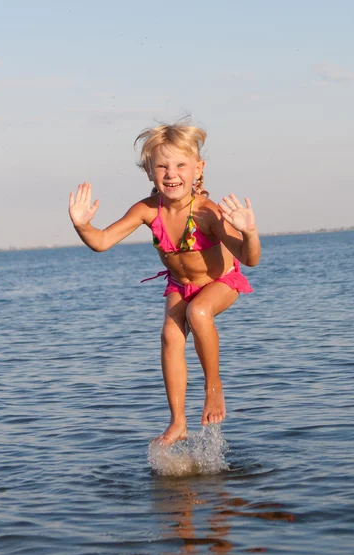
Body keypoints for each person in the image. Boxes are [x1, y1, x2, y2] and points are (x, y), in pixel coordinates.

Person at [69, 122, 261, 445]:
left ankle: (213, 387)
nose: (171, 173)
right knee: (170, 336)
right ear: (150, 171)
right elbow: (101, 241)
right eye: (162, 165)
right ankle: (177, 422)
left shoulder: (206, 213)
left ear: (198, 169)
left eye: (181, 165)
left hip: (221, 281)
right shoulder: (147, 209)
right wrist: (81, 225)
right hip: (179, 284)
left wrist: (250, 232)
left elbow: (250, 258)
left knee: (199, 313)